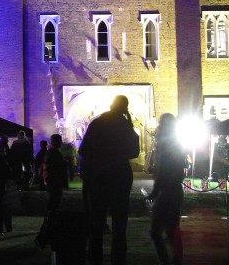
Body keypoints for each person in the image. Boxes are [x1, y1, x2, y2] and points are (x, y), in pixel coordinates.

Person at [78, 95, 140, 265]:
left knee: (96, 222)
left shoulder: (97, 123)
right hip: (119, 176)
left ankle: (94, 259)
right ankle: (118, 259)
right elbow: (134, 151)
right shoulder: (125, 125)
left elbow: (82, 151)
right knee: (120, 224)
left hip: (98, 177)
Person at [147, 113, 183, 265]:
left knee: (157, 231)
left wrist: (155, 191)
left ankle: (168, 261)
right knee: (171, 229)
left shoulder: (164, 145)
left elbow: (162, 170)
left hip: (167, 191)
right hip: (174, 190)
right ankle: (175, 260)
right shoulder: (177, 144)